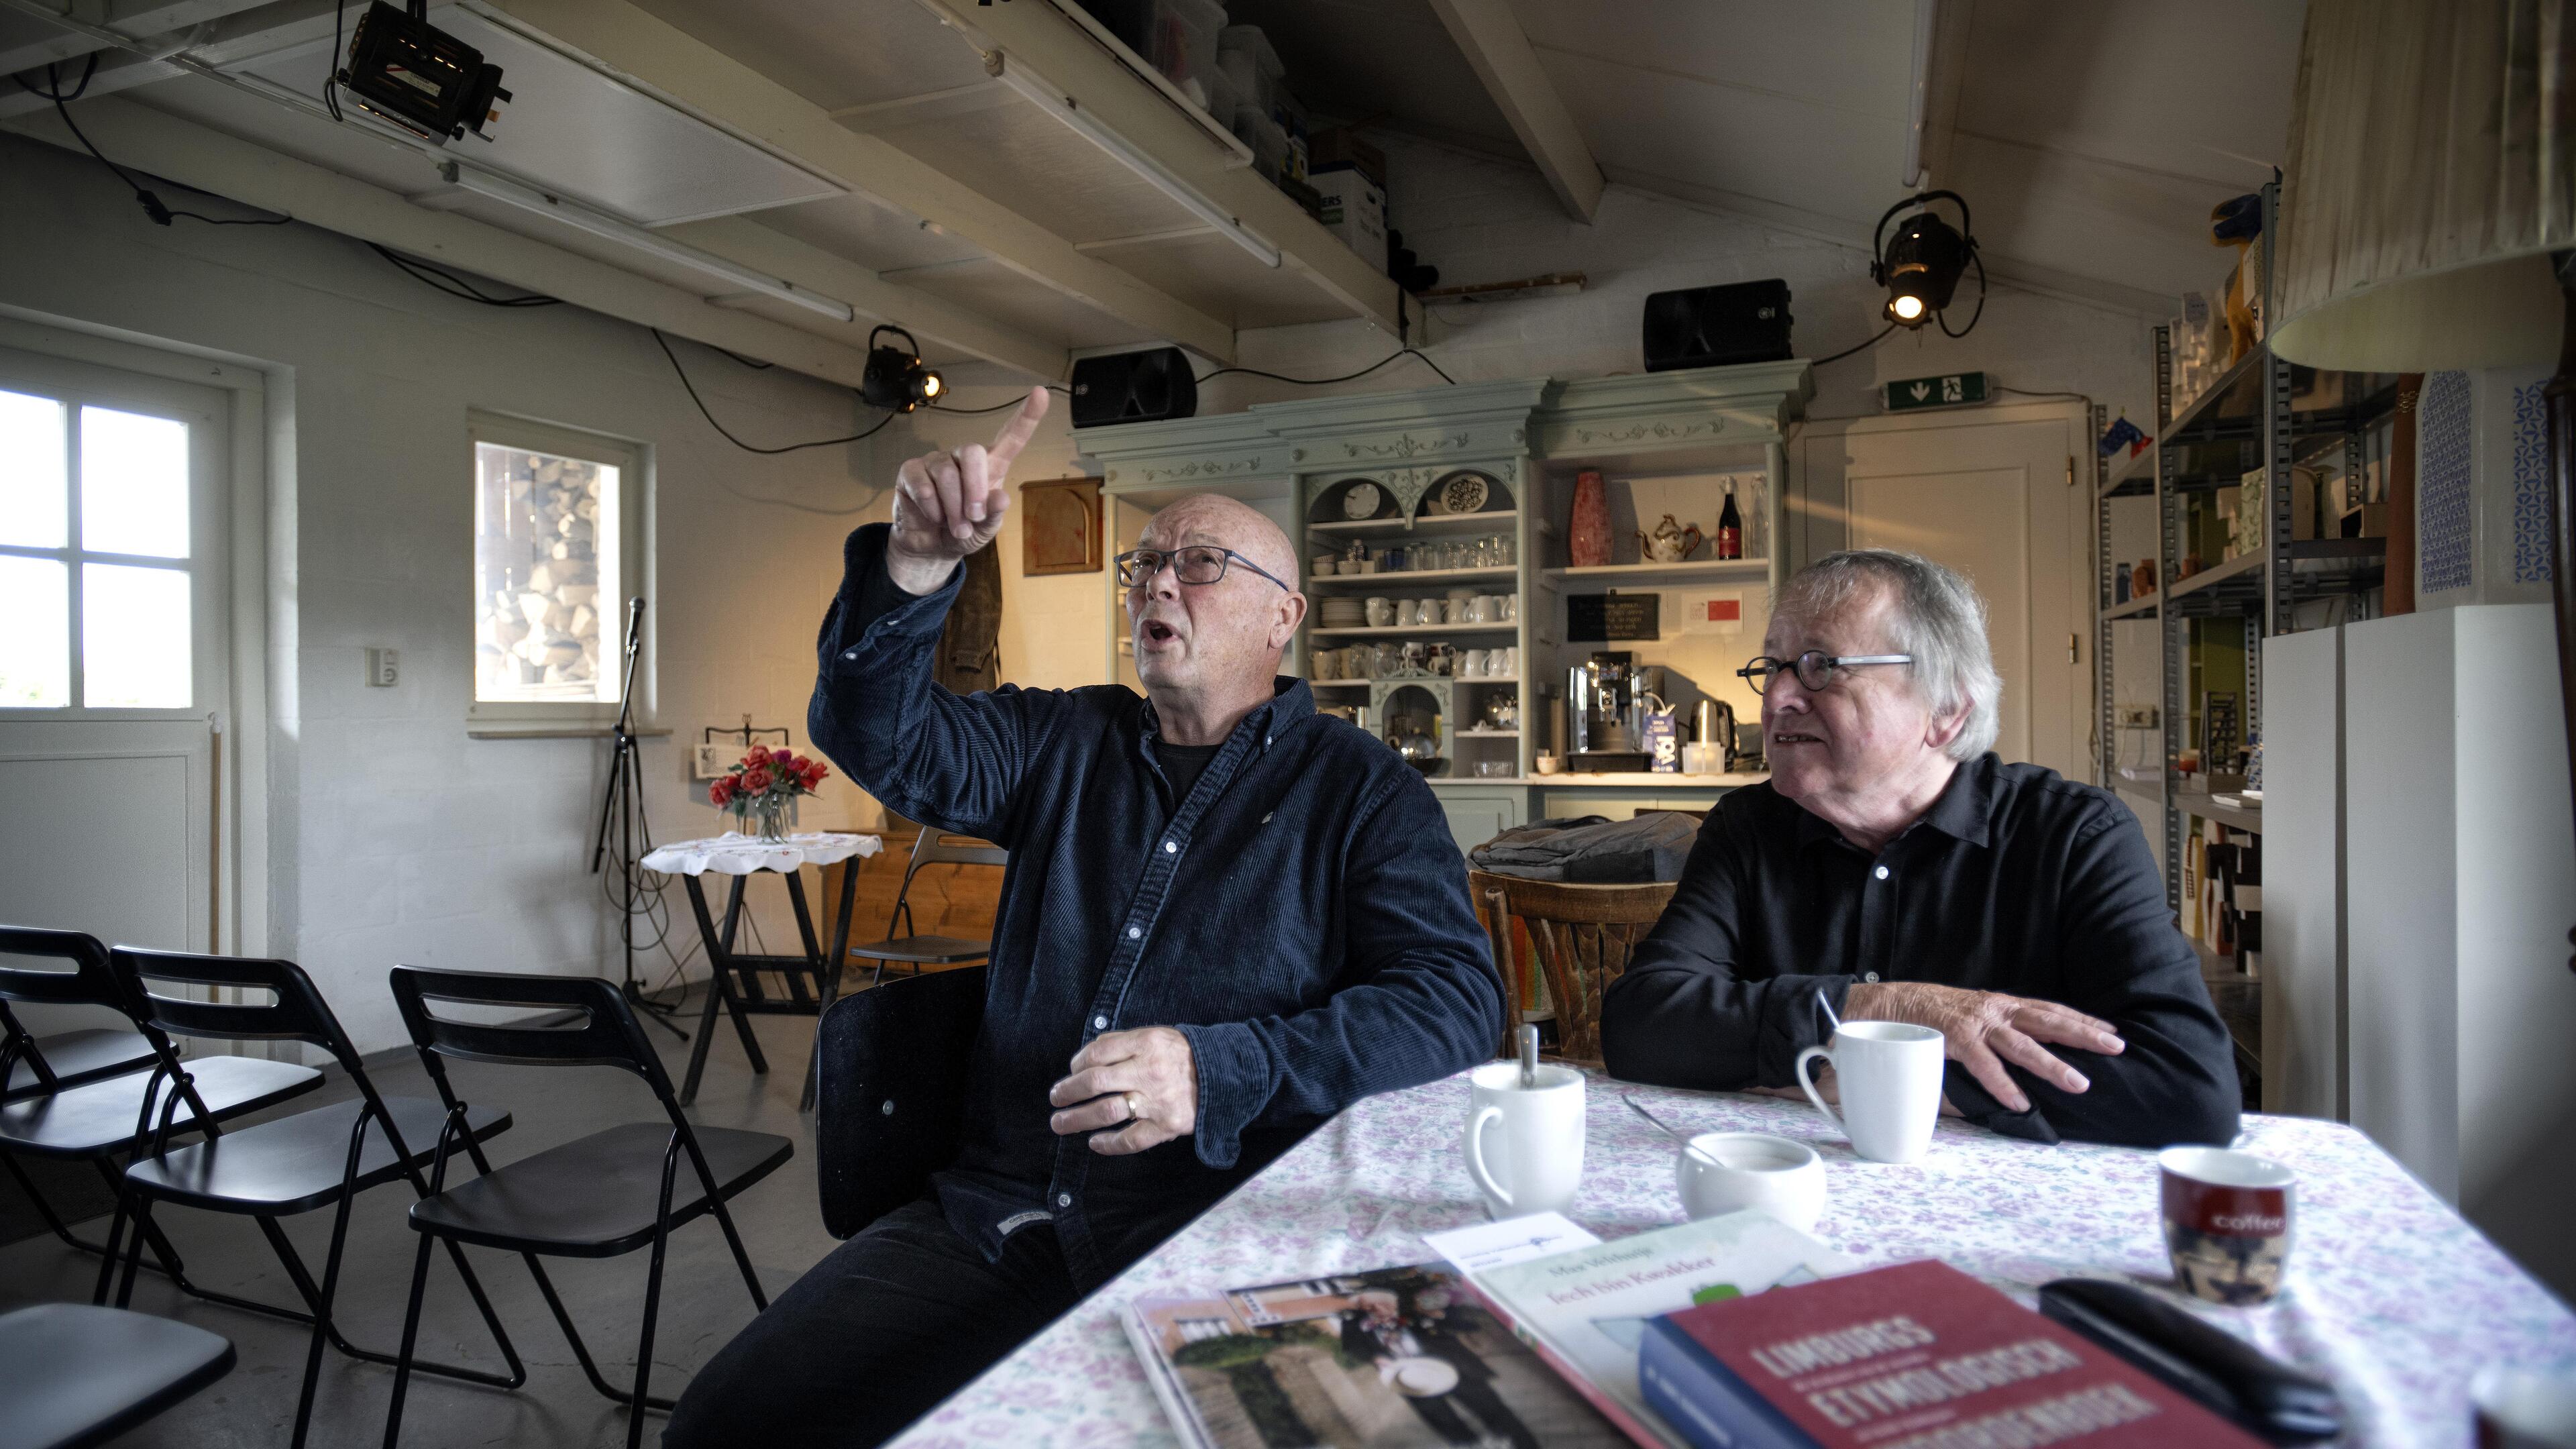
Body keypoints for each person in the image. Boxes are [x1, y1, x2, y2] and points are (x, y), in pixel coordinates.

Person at [663, 388, 1501, 1449]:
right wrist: (916, 567)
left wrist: (1217, 1072)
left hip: (1224, 1227)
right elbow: (878, 735)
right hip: (1005, 1213)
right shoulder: (1062, 739)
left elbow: (1454, 1008)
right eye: (1144, 563)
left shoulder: (1365, 791)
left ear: (1283, 616)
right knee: (726, 1425)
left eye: (1198, 564)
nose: (1156, 580)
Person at [1598, 549, 2239, 1148]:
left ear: (1947, 711)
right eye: (1772, 667)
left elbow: (2188, 1090)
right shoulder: (1749, 827)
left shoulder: (2076, 837)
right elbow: (1643, 1026)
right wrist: (1879, 1007)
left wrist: (1868, 1076)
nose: (1777, 699)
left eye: (1821, 666)